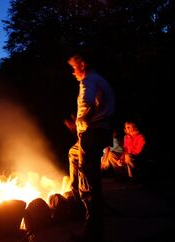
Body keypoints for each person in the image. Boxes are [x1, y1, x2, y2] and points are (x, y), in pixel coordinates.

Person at [66, 52, 115, 241]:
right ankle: (75, 193)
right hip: (98, 131)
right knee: (73, 153)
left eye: (73, 68)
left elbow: (88, 104)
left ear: (82, 65)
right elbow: (98, 105)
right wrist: (79, 124)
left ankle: (91, 233)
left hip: (92, 133)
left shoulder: (88, 81)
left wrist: (81, 120)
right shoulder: (99, 79)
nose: (73, 72)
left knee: (88, 182)